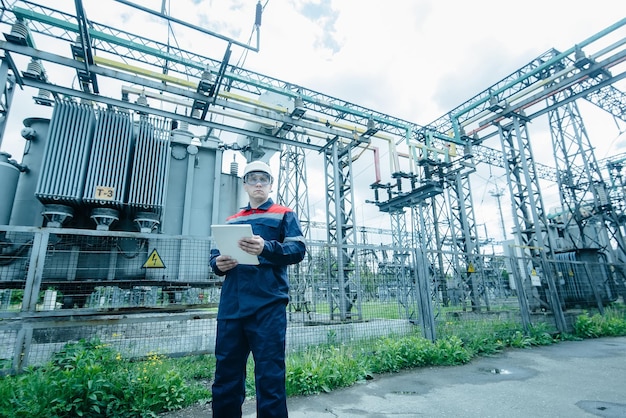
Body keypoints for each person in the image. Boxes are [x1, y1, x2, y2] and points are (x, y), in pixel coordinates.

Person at [209, 160, 306, 418]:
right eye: (253, 179)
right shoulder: (231, 220)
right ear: (245, 184)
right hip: (232, 307)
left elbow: (298, 250)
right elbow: (214, 258)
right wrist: (218, 264)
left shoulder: (284, 214)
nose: (259, 183)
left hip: (268, 306)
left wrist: (267, 248)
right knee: (225, 377)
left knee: (270, 377)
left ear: (271, 184)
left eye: (264, 179)